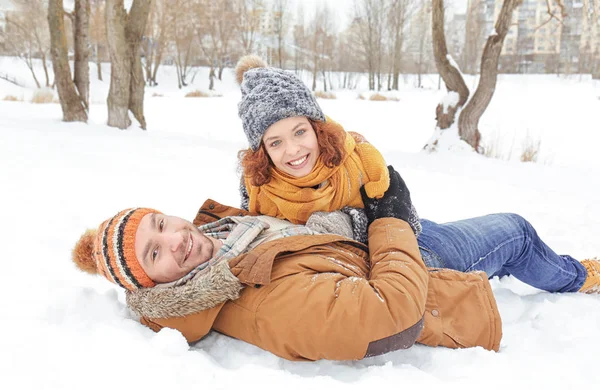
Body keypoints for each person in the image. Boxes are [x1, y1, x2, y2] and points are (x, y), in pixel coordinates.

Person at [71, 167, 600, 362]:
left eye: (160, 225)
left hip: (370, 240)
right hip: (418, 269)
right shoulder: (255, 302)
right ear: (153, 284)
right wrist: (390, 218)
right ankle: (577, 278)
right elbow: (387, 312)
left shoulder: (216, 237)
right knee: (514, 230)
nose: (174, 240)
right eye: (153, 254)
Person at [235, 55, 421, 243]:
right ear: (262, 151)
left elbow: (411, 228)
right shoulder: (256, 185)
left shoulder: (362, 164)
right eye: (275, 143)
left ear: (316, 128)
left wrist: (349, 223)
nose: (292, 150)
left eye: (299, 132)